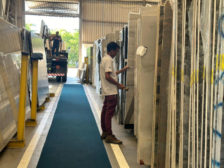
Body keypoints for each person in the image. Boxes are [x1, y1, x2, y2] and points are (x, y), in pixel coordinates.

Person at [100, 42, 129, 144]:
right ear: (111, 50)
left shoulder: (104, 59)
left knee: (105, 111)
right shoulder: (109, 60)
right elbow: (108, 77)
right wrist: (118, 85)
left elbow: (112, 74)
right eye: (116, 51)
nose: (116, 53)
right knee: (109, 113)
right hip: (111, 90)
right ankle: (109, 135)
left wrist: (123, 69)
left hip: (107, 90)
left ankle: (104, 132)